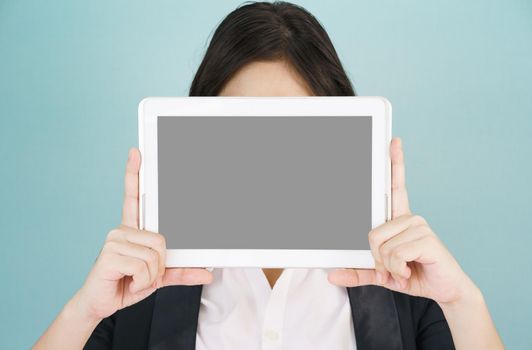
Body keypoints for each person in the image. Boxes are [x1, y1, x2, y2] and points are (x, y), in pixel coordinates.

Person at [33, 2, 505, 349]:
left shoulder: (406, 288)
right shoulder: (138, 289)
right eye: (238, 131)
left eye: (295, 134)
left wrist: (462, 301)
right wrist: (85, 311)